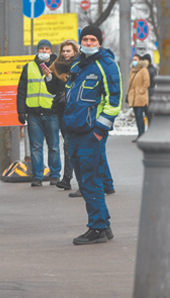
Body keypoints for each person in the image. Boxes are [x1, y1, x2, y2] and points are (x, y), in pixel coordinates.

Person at [64, 25, 122, 245]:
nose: (88, 43)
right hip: (74, 132)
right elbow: (71, 95)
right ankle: (103, 225)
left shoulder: (106, 65)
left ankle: (97, 228)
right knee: (86, 180)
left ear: (99, 42)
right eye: (85, 39)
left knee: (90, 180)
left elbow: (114, 102)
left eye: (92, 40)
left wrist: (99, 130)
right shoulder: (78, 64)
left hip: (90, 134)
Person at [16, 39, 61, 187]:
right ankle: (37, 176)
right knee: (36, 147)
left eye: (47, 49)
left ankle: (55, 175)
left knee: (53, 146)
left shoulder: (57, 67)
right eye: (42, 49)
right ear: (37, 51)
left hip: (52, 112)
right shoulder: (28, 67)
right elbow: (21, 90)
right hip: (34, 114)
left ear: (51, 51)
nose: (44, 51)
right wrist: (21, 111)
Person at [43, 39, 80, 191]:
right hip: (61, 108)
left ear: (75, 52)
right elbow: (52, 90)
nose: (65, 54)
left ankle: (67, 178)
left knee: (70, 144)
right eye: (63, 51)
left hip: (77, 109)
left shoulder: (80, 65)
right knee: (69, 143)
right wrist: (49, 77)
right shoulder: (56, 66)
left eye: (68, 51)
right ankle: (68, 178)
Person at [127, 54, 150, 141]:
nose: (134, 61)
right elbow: (130, 84)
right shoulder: (132, 71)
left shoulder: (144, 70)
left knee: (140, 115)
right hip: (133, 98)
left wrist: (141, 91)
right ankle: (140, 134)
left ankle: (142, 135)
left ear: (140, 61)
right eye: (133, 59)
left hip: (141, 97)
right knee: (137, 116)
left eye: (136, 59)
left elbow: (146, 82)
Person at [142, 53, 157, 124]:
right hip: (150, 92)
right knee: (149, 113)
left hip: (149, 92)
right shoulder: (152, 69)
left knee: (148, 112)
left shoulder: (148, 70)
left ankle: (150, 126)